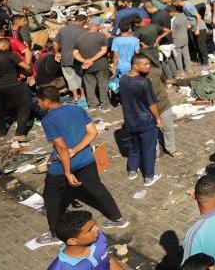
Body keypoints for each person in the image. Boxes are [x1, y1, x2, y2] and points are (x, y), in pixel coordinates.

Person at [38, 87, 127, 243]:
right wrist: (77, 149)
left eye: (38, 101)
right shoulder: (76, 109)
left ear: (46, 101)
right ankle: (117, 218)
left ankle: (54, 234)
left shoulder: (48, 120)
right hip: (86, 159)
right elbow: (93, 132)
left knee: (51, 197)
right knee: (97, 188)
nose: (38, 104)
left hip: (62, 165)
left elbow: (62, 148)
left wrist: (67, 172)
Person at [119, 54, 163, 185]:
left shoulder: (123, 79)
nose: (149, 66)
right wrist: (158, 118)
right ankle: (149, 176)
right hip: (146, 121)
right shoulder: (144, 82)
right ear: (135, 66)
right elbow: (152, 104)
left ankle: (132, 170)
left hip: (130, 121)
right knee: (149, 149)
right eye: (145, 64)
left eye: (149, 63)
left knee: (134, 147)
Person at [47, 210, 126, 270]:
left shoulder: (99, 238)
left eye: (95, 224)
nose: (97, 228)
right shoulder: (60, 268)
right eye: (90, 229)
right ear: (73, 241)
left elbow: (107, 260)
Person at [73, 19, 112, 110]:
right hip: (101, 65)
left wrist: (84, 61)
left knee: (89, 86)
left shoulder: (79, 38)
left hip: (86, 67)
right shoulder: (101, 36)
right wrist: (91, 60)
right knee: (103, 85)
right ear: (98, 26)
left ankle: (93, 105)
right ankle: (105, 105)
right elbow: (104, 51)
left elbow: (75, 53)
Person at [55, 15, 88, 105]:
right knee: (80, 77)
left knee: (70, 78)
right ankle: (83, 96)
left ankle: (75, 97)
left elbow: (55, 42)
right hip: (79, 58)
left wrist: (57, 52)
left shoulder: (62, 30)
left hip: (65, 58)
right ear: (83, 22)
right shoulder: (84, 31)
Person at [168, 4, 190, 77]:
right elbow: (188, 26)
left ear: (172, 12)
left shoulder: (173, 20)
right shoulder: (183, 15)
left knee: (178, 57)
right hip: (185, 38)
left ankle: (181, 71)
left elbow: (172, 31)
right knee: (186, 54)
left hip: (176, 40)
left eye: (169, 13)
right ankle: (188, 68)